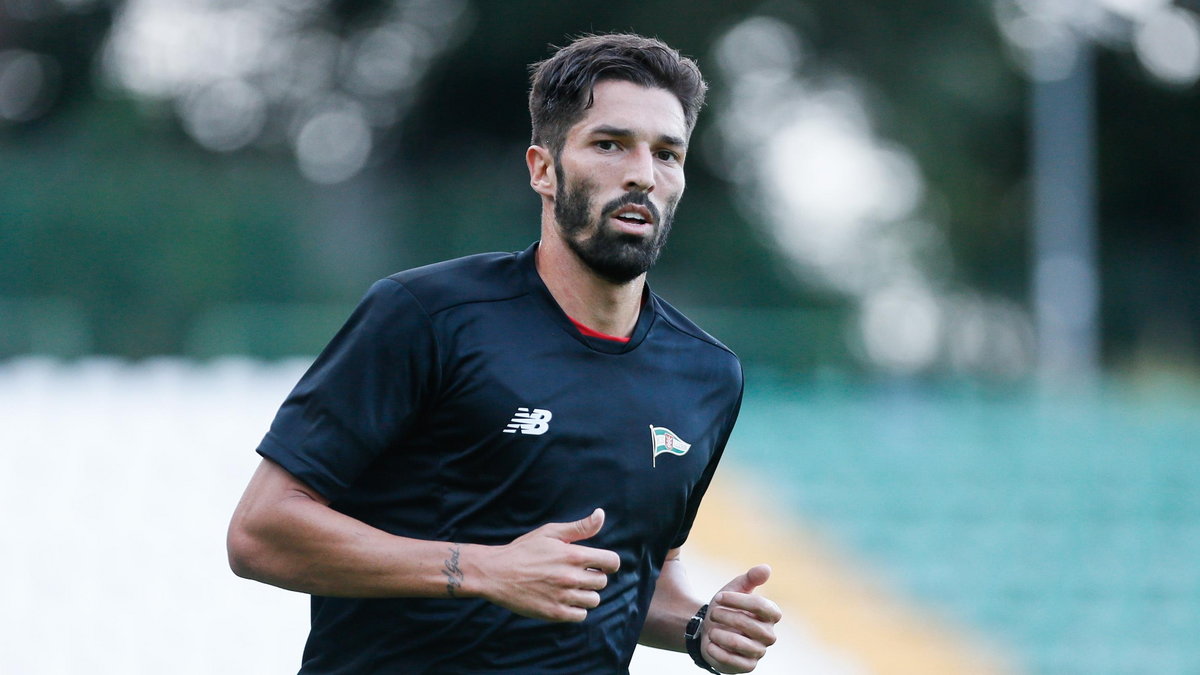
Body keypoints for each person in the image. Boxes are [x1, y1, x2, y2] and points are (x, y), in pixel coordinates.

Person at [227, 33, 782, 674]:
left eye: (667, 153)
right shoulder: (428, 315)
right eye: (610, 144)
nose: (642, 174)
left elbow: (638, 569)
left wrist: (698, 623)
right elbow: (260, 533)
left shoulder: (708, 375)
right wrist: (484, 569)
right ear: (543, 170)